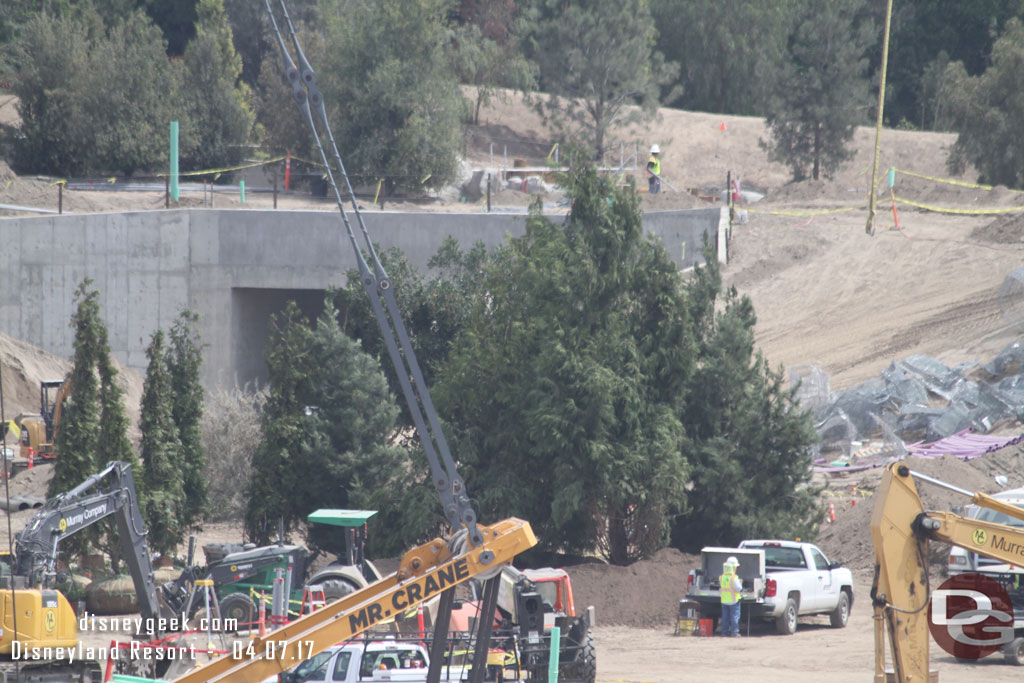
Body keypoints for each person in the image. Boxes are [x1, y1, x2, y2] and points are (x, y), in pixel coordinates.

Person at [719, 555, 743, 637]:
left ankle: (724, 632)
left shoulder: (722, 577)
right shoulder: (734, 578)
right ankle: (734, 632)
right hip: (734, 601)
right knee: (734, 617)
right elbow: (739, 588)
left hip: (724, 601)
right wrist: (740, 583)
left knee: (725, 618)